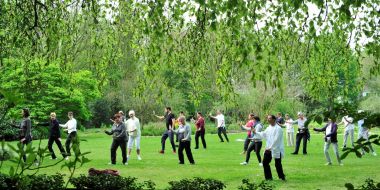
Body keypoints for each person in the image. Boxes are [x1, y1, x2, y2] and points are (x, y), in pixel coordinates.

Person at [252, 115, 285, 181]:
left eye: (269, 118)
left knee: (277, 164)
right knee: (265, 162)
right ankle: (268, 178)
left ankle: (281, 177)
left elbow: (277, 139)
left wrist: (271, 147)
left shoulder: (278, 129)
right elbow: (263, 134)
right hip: (268, 148)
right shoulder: (269, 127)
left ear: (274, 119)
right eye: (268, 118)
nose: (268, 119)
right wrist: (255, 132)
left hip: (276, 148)